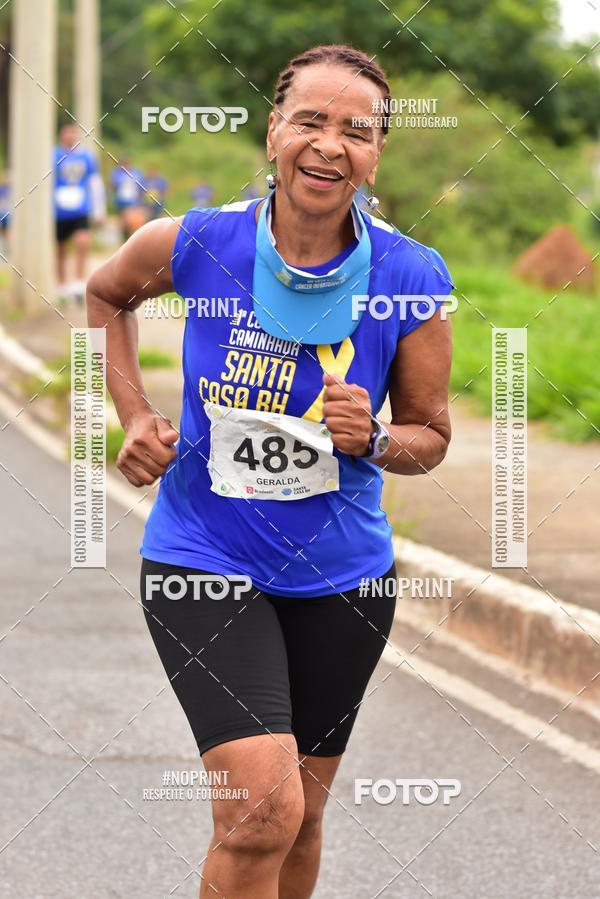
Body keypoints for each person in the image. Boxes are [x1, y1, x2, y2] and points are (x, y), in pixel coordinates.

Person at [87, 44, 453, 899]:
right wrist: (134, 413)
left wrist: (372, 439)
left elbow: (431, 437)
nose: (331, 145)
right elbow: (105, 296)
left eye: (356, 131)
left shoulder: (408, 276)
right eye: (311, 121)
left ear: (377, 154)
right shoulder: (198, 243)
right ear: (273, 132)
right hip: (203, 558)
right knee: (260, 809)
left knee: (304, 816)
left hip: (343, 578)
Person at [54, 123, 104, 304]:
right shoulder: (54, 155)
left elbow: (95, 183)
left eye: (72, 133)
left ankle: (78, 282)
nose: (69, 136)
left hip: (80, 208)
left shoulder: (87, 157)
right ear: (61, 135)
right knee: (60, 249)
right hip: (58, 210)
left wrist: (99, 211)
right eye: (65, 132)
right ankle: (61, 286)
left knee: (83, 241)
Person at [110, 156, 146, 241]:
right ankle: (124, 239)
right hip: (121, 202)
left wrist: (141, 199)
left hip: (133, 202)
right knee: (123, 223)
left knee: (132, 222)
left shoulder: (136, 173)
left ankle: (132, 240)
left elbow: (141, 186)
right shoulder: (117, 173)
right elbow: (113, 186)